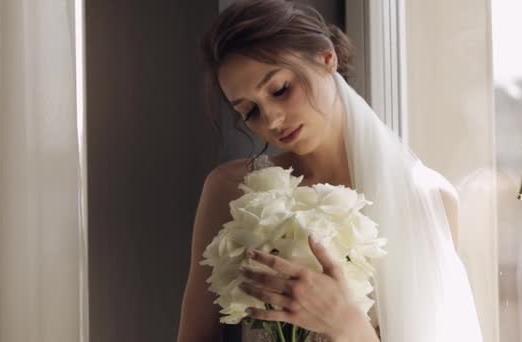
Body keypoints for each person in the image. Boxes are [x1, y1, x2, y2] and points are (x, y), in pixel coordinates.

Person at [177, 1, 483, 341]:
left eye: (280, 90)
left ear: (326, 58)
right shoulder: (231, 190)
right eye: (250, 111)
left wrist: (346, 323)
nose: (272, 120)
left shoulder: (428, 199)